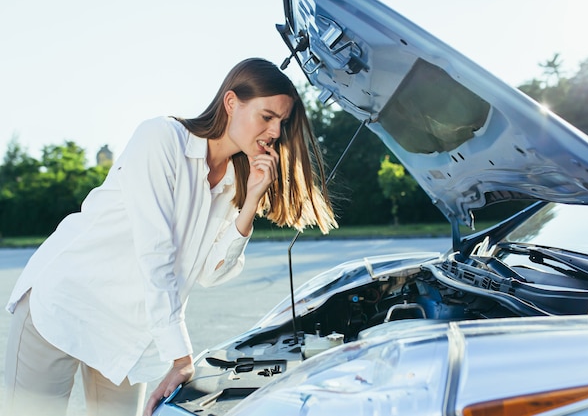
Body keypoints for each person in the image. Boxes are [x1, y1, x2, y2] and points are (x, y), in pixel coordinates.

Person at [3, 57, 337, 416]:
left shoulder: (232, 182)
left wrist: (251, 201)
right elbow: (156, 253)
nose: (274, 131)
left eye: (282, 122)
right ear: (230, 103)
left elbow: (209, 273)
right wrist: (180, 357)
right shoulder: (161, 139)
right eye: (267, 116)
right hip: (63, 305)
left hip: (123, 334)